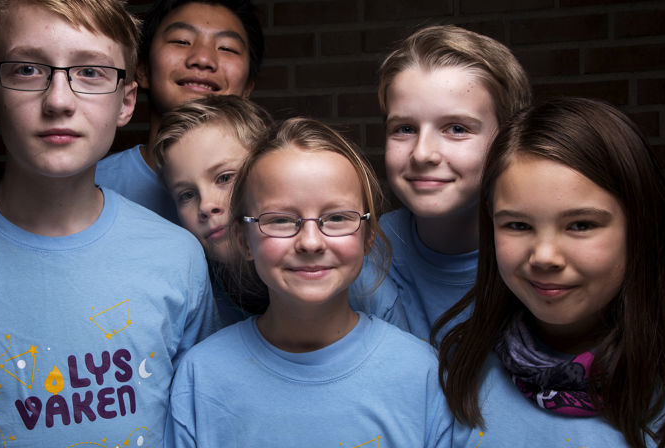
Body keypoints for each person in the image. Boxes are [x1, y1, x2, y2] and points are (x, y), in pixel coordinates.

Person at [0, 0, 219, 446]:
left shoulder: (178, 256)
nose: (59, 101)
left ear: (126, 102)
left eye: (91, 72)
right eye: (27, 70)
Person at [164, 118, 453, 447]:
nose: (311, 242)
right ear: (244, 240)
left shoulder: (421, 372)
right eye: (282, 220)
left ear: (368, 236)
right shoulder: (201, 377)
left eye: (336, 218)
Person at [436, 97, 665, 446]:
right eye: (517, 225)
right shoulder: (458, 372)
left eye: (580, 225)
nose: (544, 257)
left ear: (639, 226)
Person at [350, 24, 532, 343]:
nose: (423, 154)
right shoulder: (356, 256)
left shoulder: (539, 258)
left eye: (457, 129)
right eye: (405, 129)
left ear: (507, 139)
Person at [95, 0, 264, 223]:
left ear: (248, 88)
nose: (203, 60)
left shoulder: (271, 181)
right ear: (142, 69)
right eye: (181, 41)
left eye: (226, 48)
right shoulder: (93, 184)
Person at [152, 94, 272, 326]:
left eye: (224, 177)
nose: (206, 205)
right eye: (187, 195)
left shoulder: (348, 276)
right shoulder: (191, 298)